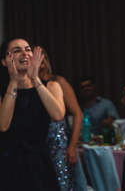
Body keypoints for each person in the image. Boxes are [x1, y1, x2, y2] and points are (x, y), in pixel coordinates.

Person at [0, 38, 65, 191]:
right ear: (4, 62)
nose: (25, 53)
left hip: (39, 162)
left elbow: (58, 115)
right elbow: (3, 125)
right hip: (8, 163)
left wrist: (35, 79)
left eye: (28, 49)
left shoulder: (52, 85)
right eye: (17, 50)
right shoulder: (2, 91)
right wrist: (14, 81)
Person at [40, 49, 83, 191]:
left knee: (63, 183)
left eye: (43, 59)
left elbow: (77, 113)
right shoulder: (27, 85)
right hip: (38, 143)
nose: (40, 63)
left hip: (58, 142)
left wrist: (72, 146)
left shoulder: (57, 81)